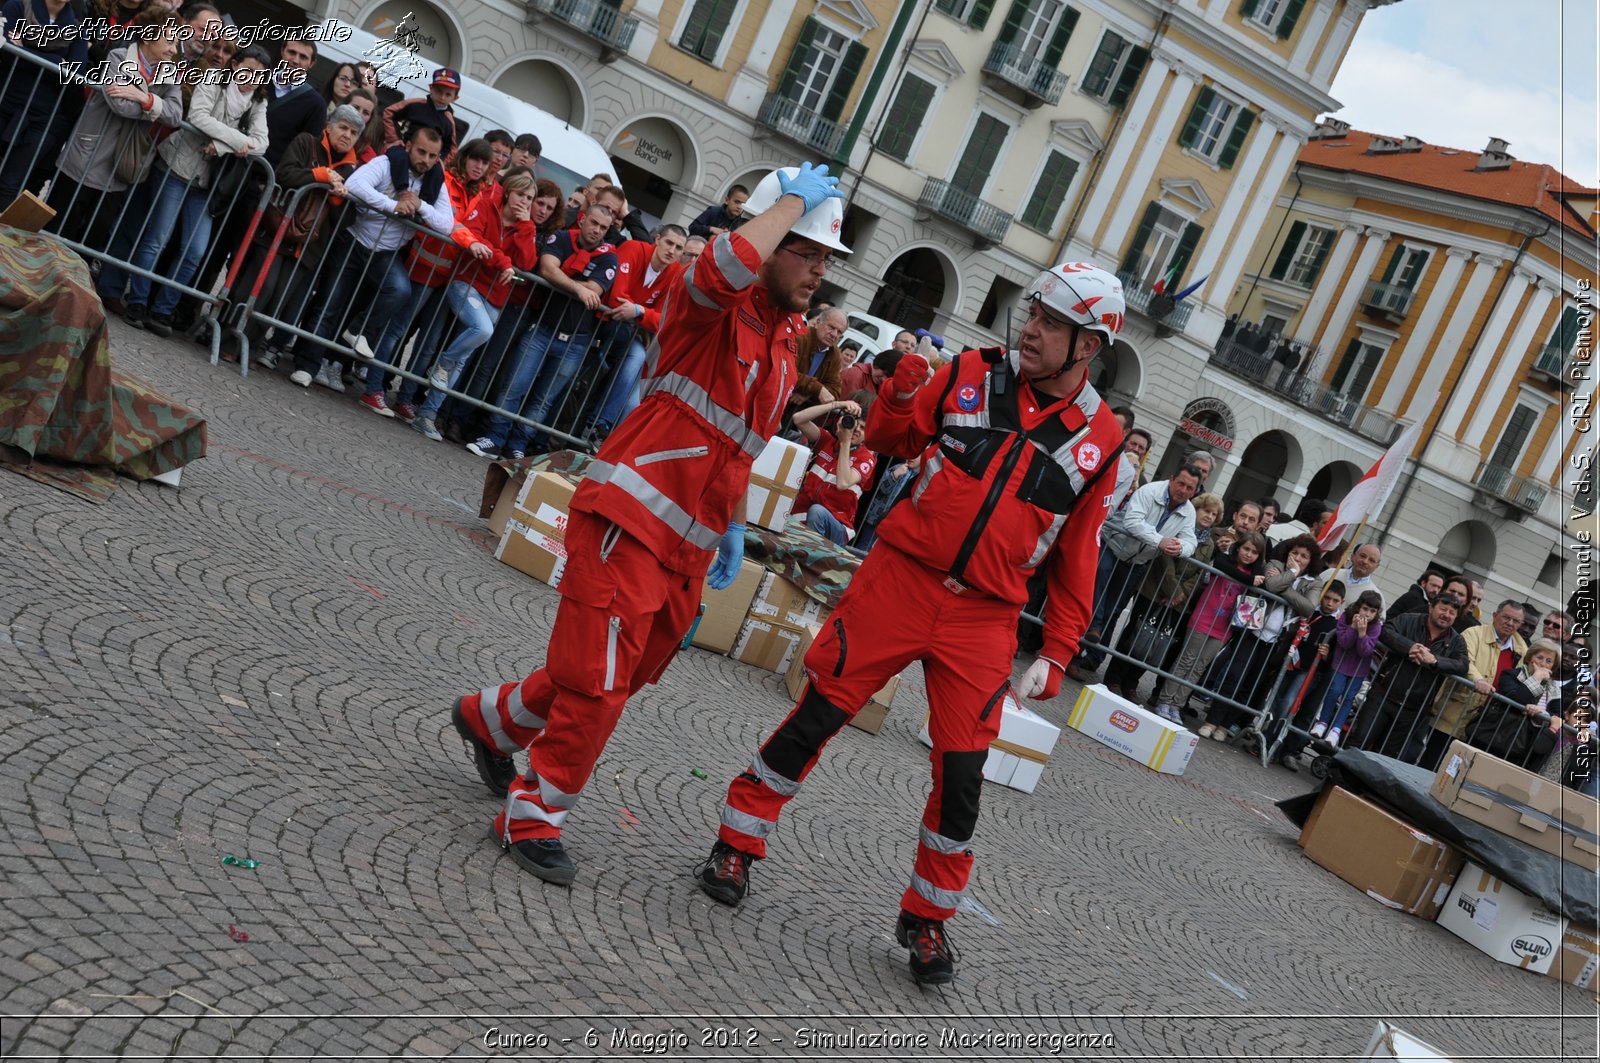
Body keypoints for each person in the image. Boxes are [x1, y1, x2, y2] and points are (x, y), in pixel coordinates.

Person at [697, 260, 1128, 986]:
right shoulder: (965, 370)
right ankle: (736, 841)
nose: (1031, 329)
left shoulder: (1104, 439)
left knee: (962, 774)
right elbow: (893, 440)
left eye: (1052, 324)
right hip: (899, 578)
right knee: (817, 714)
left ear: (1088, 346)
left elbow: (1080, 554)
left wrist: (1059, 647)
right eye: (1033, 313)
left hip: (986, 616)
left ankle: (928, 918)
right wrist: (899, 393)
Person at [446, 162, 849, 887]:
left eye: (827, 259)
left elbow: (735, 444)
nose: (818, 271)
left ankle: (496, 719)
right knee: (598, 681)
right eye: (806, 250)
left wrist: (729, 524)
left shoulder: (788, 340)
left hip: (687, 544)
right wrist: (790, 202)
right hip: (628, 519)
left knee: (616, 674)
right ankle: (532, 812)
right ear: (770, 234)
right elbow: (724, 270)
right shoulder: (711, 294)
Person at [108, 44, 270, 336]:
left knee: (194, 251)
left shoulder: (259, 103)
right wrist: (236, 141)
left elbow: (262, 143)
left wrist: (222, 145)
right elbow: (198, 117)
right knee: (157, 238)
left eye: (259, 75)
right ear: (235, 66)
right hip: (176, 167)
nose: (252, 78)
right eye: (247, 69)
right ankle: (139, 301)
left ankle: (162, 309)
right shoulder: (213, 79)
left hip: (208, 183)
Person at [298, 125, 453, 405]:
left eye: (433, 156)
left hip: (386, 253)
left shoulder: (434, 181)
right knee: (329, 305)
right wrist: (392, 205)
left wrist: (419, 206)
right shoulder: (386, 162)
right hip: (354, 241)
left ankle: (358, 331)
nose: (426, 160)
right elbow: (355, 185)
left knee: (399, 290)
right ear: (408, 146)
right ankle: (306, 366)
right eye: (421, 152)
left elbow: (447, 224)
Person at [464, 201, 619, 458]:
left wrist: (573, 284)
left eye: (603, 227)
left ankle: (517, 447)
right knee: (514, 387)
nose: (597, 230)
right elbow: (547, 269)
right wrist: (579, 288)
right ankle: (494, 438)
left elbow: (595, 289)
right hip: (543, 328)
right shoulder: (560, 237)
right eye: (593, 223)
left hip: (576, 341)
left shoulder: (609, 256)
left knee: (544, 400)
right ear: (582, 220)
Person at [408, 171, 544, 442]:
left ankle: (426, 415)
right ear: (509, 193)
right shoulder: (487, 206)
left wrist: (527, 227)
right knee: (482, 331)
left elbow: (527, 264)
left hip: (495, 297)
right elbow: (478, 240)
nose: (524, 202)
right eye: (520, 195)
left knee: (461, 361)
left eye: (530, 198)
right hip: (465, 282)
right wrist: (504, 262)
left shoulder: (525, 227)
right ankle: (441, 365)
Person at [45, 5, 184, 254]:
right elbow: (119, 103)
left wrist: (145, 99)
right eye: (170, 41)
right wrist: (153, 110)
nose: (175, 50)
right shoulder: (118, 57)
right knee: (57, 233)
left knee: (90, 242)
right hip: (86, 157)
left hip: (119, 168)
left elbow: (175, 115)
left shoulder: (168, 73)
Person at [1065, 466, 1202, 681]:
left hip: (1137, 562)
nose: (1183, 490)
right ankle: (1085, 636)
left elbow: (1191, 541)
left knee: (1112, 609)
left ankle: (1083, 647)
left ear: (1195, 491)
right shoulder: (1149, 491)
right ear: (1171, 478)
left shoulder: (1189, 512)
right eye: (1181, 483)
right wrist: (1160, 541)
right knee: (1092, 598)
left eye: (1189, 487)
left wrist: (1180, 548)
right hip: (1111, 546)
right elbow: (1132, 521)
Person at [1103, 490, 1224, 703]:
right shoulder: (1181, 527)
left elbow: (1199, 574)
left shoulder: (1209, 544)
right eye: (1206, 511)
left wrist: (1181, 593)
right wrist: (1173, 590)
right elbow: (1164, 559)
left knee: (1155, 642)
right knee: (1135, 632)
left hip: (1177, 601)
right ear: (1196, 509)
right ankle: (1114, 676)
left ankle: (1132, 681)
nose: (1209, 517)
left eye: (1214, 515)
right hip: (1154, 589)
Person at [583, 223, 689, 446]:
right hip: (600, 322)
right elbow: (616, 300)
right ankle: (597, 423)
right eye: (669, 243)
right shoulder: (633, 248)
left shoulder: (676, 272)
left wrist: (638, 311)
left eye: (679, 248)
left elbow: (665, 320)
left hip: (629, 333)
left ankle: (600, 424)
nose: (672, 250)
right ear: (657, 239)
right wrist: (644, 317)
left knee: (638, 359)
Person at [1157, 532, 1267, 730]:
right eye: (1246, 549)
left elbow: (1260, 574)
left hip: (1224, 627)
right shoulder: (1226, 560)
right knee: (1186, 660)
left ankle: (1176, 705)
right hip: (1203, 618)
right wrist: (1250, 579)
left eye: (1255, 552)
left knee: (1199, 667)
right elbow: (1222, 566)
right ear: (1238, 547)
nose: (1249, 554)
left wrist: (1256, 568)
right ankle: (1165, 700)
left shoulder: (1254, 572)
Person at [1352, 594, 1468, 764]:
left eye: (1452, 612)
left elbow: (1463, 665)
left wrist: (1434, 660)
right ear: (1431, 608)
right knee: (1359, 740)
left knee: (1386, 757)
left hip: (1413, 709)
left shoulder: (1457, 640)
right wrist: (1408, 647)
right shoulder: (1409, 619)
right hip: (1383, 695)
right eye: (1443, 609)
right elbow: (1386, 631)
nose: (1446, 615)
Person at [0, 0, 90, 208]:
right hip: (5, 101)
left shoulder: (76, 29)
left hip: (43, 119)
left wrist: (24, 51)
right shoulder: (18, 7)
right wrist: (58, 63)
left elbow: (75, 74)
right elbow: (5, 50)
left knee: (9, 184)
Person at [1427, 598, 1526, 766]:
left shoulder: (1522, 650)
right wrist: (1478, 680)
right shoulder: (1473, 633)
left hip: (1484, 725)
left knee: (1458, 771)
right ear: (1495, 615)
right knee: (1432, 762)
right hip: (1454, 712)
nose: (1510, 623)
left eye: (1516, 621)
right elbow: (1465, 662)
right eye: (1506, 617)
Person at [790, 397, 876, 545]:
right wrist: (836, 405)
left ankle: (808, 555)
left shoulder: (866, 458)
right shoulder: (827, 441)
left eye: (862, 428)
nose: (856, 430)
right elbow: (798, 419)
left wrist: (845, 443)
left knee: (817, 511)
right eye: (855, 425)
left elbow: (843, 483)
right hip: (801, 515)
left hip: (836, 525)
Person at [1307, 591, 1384, 746]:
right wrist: (1353, 627)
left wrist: (1362, 634)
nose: (1367, 614)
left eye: (1372, 611)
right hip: (1340, 664)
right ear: (1358, 607)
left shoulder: (1376, 627)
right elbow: (1344, 642)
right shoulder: (1346, 617)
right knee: (1334, 690)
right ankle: (1322, 723)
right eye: (1365, 609)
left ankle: (1336, 730)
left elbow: (1365, 651)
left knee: (1348, 698)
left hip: (1358, 670)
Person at [1479, 640, 1564, 770]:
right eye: (1539, 657)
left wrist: (1541, 714)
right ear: (1530, 657)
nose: (1543, 663)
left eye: (1549, 661)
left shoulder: (1554, 689)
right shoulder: (1511, 674)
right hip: (1498, 735)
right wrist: (1536, 678)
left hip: (1526, 746)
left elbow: (1556, 715)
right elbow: (1517, 698)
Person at [381, 67, 463, 161]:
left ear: (455, 98)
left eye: (448, 94)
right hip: (403, 150)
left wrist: (440, 161)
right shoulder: (416, 104)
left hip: (425, 161)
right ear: (431, 88)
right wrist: (394, 139)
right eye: (439, 91)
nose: (442, 97)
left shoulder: (448, 121)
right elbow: (389, 113)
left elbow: (450, 148)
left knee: (437, 172)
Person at [789, 306, 847, 408]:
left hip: (797, 413)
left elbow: (835, 392)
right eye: (831, 327)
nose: (834, 334)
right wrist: (817, 389)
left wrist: (809, 394)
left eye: (839, 332)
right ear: (818, 322)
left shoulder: (835, 355)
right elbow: (786, 371)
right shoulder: (799, 336)